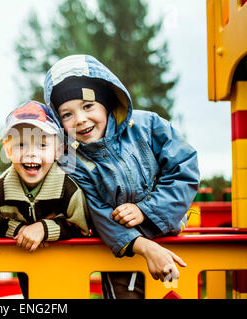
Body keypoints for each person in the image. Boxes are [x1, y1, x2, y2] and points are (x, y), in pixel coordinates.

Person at [43, 54, 200, 299]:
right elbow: (99, 213)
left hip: (174, 241)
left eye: (88, 106)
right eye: (67, 115)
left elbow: (184, 170)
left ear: (106, 103)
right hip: (124, 252)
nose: (81, 119)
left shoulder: (147, 126)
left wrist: (146, 210)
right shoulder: (72, 161)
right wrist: (145, 247)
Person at [0, 100, 90, 298]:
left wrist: (44, 228)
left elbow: (83, 227)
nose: (31, 153)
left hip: (71, 273)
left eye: (42, 144)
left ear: (57, 150)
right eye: (21, 144)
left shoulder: (68, 188)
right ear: (7, 149)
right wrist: (20, 230)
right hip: (27, 270)